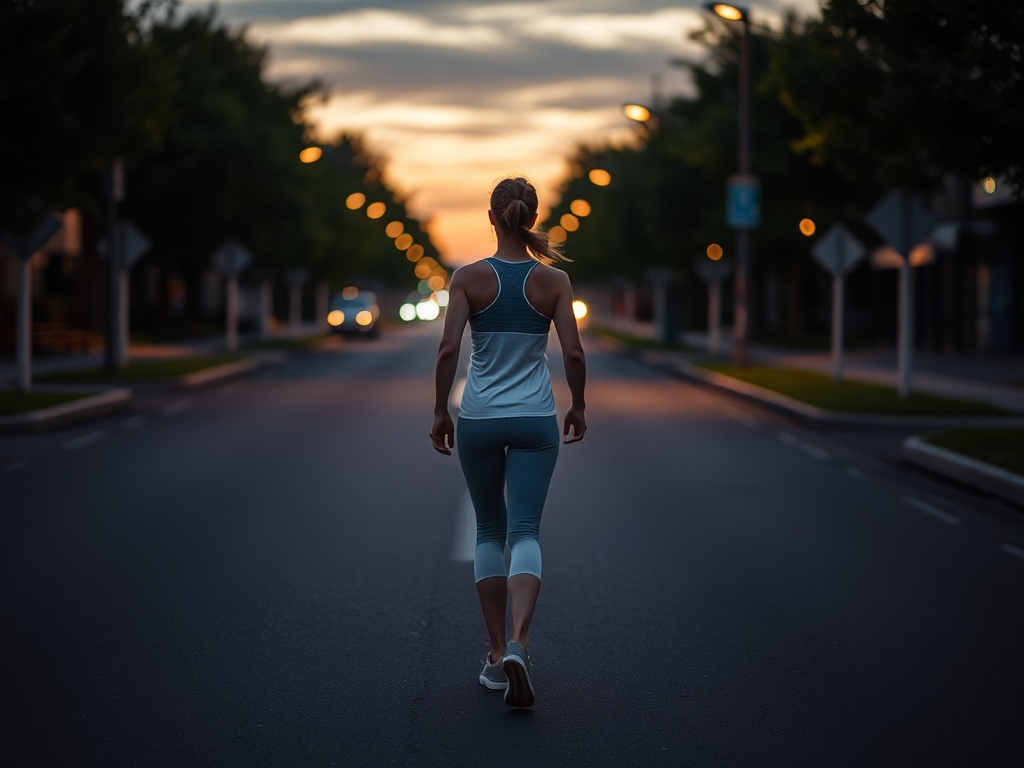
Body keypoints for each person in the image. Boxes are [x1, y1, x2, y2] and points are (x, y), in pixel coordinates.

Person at [431, 176, 587, 709]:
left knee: (488, 531)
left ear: (492, 217)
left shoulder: (468, 278)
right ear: (532, 217)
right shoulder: (554, 283)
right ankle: (521, 641)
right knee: (525, 531)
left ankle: (497, 656)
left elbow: (449, 348)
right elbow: (574, 355)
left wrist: (439, 412)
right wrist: (579, 405)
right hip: (535, 420)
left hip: (477, 418)